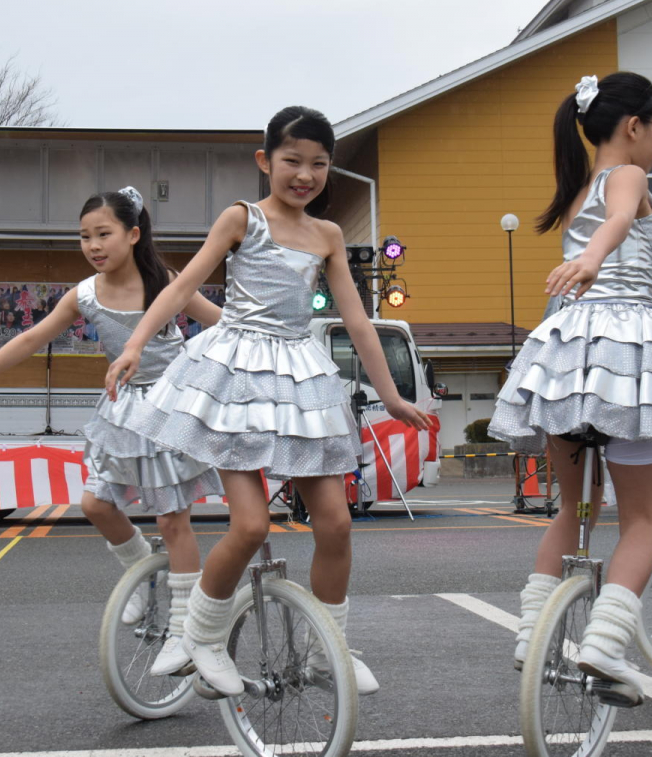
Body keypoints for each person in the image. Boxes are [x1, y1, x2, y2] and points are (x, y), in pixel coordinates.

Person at [107, 106, 432, 698]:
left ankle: (321, 649)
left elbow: (358, 324)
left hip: (299, 375)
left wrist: (391, 396)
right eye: (292, 161)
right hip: (236, 376)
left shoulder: (328, 236)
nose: (304, 174)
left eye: (318, 164)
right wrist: (134, 343)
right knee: (251, 524)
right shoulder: (242, 219)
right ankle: (198, 636)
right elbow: (182, 287)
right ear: (265, 162)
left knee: (335, 523)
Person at [489, 73, 652, 707]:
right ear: (634, 127)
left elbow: (643, 265)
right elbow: (624, 221)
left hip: (570, 357)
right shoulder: (626, 176)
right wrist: (595, 258)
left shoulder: (578, 194)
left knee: (575, 509)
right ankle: (604, 644)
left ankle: (530, 633)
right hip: (626, 357)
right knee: (641, 519)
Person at [0, 186, 224, 676]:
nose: (93, 245)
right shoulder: (85, 294)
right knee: (94, 503)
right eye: (84, 236)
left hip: (173, 406)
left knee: (173, 521)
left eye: (103, 234)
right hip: (122, 410)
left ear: (133, 235)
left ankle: (184, 629)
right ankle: (140, 572)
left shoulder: (166, 282)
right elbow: (31, 338)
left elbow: (221, 322)